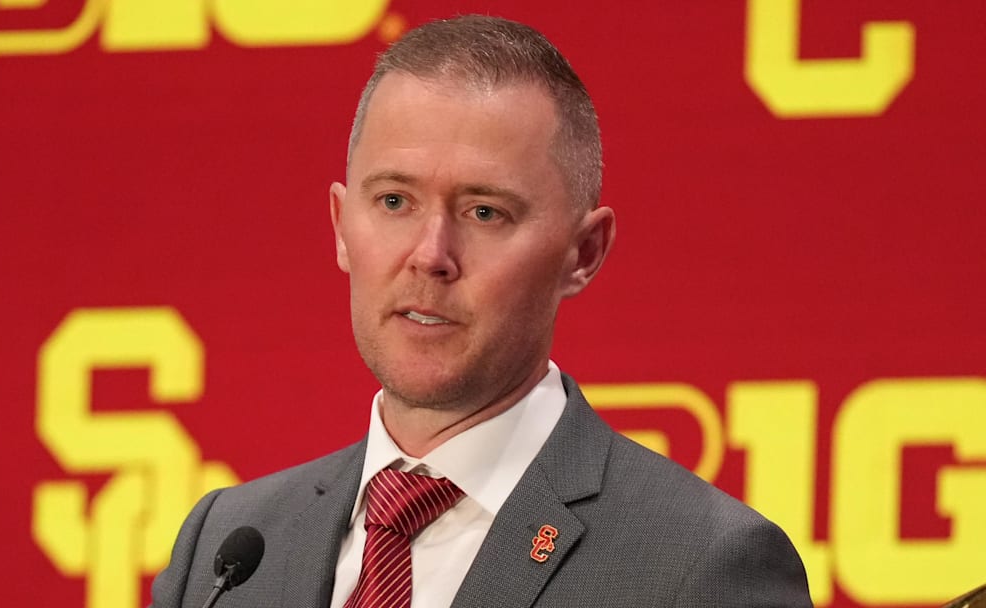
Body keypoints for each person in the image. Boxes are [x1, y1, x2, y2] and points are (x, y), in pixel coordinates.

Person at [151, 15, 813, 608]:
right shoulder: (226, 551)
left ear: (583, 253)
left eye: (484, 212)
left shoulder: (700, 566)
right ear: (340, 226)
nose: (430, 255)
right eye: (393, 202)